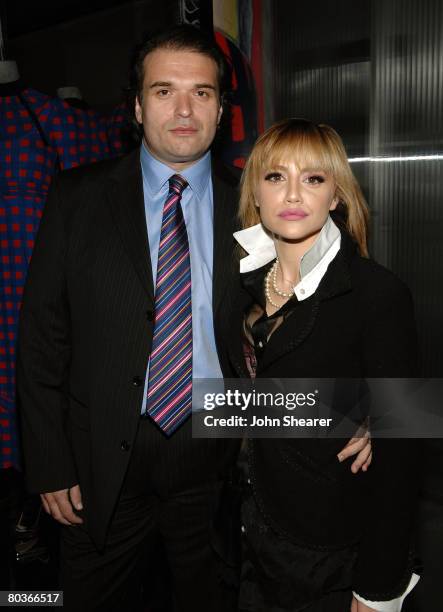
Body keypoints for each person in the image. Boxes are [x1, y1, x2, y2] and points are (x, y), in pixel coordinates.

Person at [17, 27, 371, 612]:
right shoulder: (76, 199)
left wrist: (367, 406)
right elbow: (40, 344)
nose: (184, 109)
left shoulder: (257, 209)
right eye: (163, 91)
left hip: (214, 461)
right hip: (98, 465)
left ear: (221, 107)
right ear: (136, 106)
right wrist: (48, 465)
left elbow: (329, 321)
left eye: (201, 93)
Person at [228, 118, 420, 612]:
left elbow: (405, 453)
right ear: (257, 193)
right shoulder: (237, 286)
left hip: (327, 554)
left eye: (313, 178)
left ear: (336, 195)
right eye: (275, 177)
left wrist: (378, 590)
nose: (293, 193)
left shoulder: (378, 293)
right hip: (240, 542)